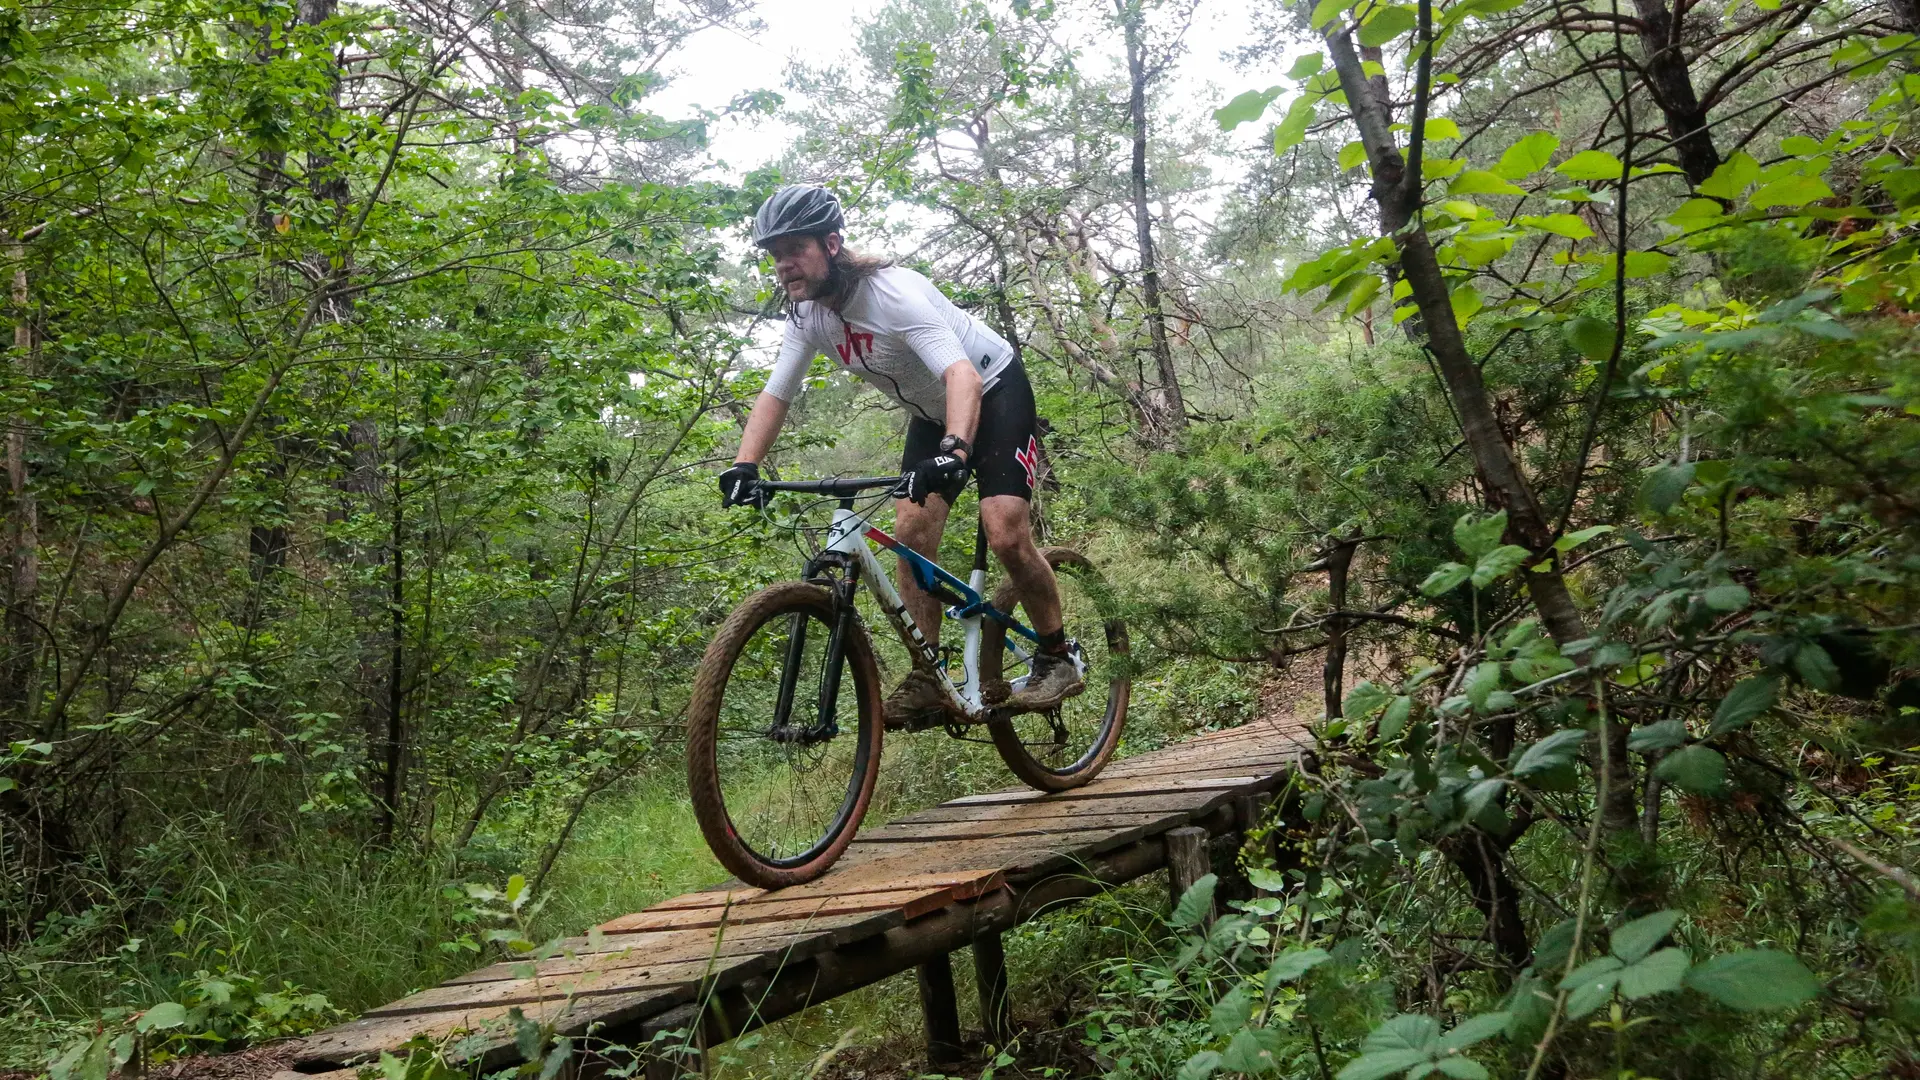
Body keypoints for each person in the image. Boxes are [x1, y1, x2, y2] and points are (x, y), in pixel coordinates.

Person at [716, 184, 1083, 725]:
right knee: (911, 533)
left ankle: (1057, 656)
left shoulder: (893, 295)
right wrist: (744, 464)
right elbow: (776, 394)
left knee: (1004, 529)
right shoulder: (806, 316)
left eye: (794, 249)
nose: (783, 265)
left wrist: (956, 450)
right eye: (774, 255)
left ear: (832, 244)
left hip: (993, 389)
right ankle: (928, 674)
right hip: (934, 414)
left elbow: (962, 375)